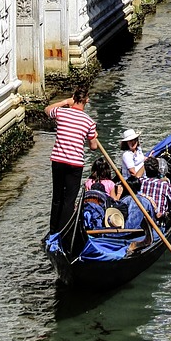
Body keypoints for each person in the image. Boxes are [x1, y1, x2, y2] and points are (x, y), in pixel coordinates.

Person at [45, 87, 98, 235]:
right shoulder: (89, 122)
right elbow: (93, 147)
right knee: (69, 200)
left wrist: (63, 102)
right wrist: (93, 135)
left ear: (73, 98)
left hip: (58, 161)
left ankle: (53, 230)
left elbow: (47, 109)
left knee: (57, 198)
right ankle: (64, 232)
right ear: (86, 100)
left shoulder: (61, 112)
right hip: (75, 164)